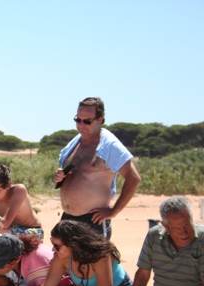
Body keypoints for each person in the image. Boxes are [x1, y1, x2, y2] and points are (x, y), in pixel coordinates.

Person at [55, 97, 141, 239]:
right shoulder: (74, 144)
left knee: (94, 255)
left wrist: (113, 211)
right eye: (78, 120)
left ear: (99, 120)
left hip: (93, 221)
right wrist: (59, 177)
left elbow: (134, 178)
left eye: (87, 121)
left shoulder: (109, 145)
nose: (81, 125)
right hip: (67, 218)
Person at [0, 163, 42, 238]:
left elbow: (6, 223)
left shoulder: (19, 190)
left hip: (33, 231)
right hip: (11, 231)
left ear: (8, 185)